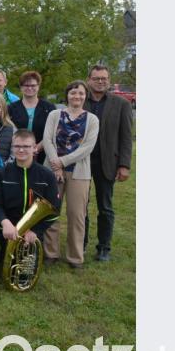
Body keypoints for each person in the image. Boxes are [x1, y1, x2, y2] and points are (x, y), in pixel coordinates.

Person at [0, 130, 60, 287]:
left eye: (26, 146)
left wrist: (36, 231)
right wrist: (4, 222)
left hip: (30, 229)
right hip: (5, 222)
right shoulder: (2, 173)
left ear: (35, 148)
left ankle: (6, 254)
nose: (21, 150)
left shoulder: (47, 175)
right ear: (12, 148)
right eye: (17, 146)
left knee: (23, 276)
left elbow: (54, 210)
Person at [42, 80, 99, 268]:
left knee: (76, 215)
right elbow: (47, 140)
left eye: (81, 93)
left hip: (79, 173)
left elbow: (87, 147)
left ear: (86, 96)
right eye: (73, 93)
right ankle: (51, 253)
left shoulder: (92, 120)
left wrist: (63, 162)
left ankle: (75, 257)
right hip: (52, 170)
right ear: (67, 95)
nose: (77, 96)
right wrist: (55, 165)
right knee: (51, 211)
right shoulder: (54, 115)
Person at [83, 65, 133, 261]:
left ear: (109, 80)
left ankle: (104, 247)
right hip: (83, 162)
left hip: (108, 162)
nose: (100, 81)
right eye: (96, 78)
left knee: (105, 206)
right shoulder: (80, 100)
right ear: (89, 80)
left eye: (104, 78)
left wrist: (124, 165)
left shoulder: (121, 104)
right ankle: (81, 243)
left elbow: (126, 137)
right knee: (81, 206)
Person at [8, 71, 56, 164]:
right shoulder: (11, 108)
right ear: (21, 87)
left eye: (33, 85)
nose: (30, 88)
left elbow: (52, 131)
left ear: (38, 86)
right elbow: (9, 132)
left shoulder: (49, 108)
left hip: (43, 154)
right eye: (26, 85)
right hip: (18, 154)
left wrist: (37, 148)